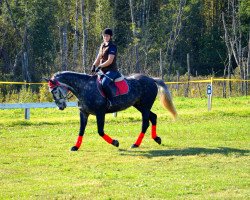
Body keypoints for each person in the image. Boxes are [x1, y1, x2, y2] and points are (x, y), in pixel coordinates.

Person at [92, 28, 121, 106]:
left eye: (107, 36)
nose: (105, 37)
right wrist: (94, 65)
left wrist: (100, 66)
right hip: (103, 70)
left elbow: (110, 60)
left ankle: (111, 101)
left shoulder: (112, 47)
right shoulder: (102, 45)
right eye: (104, 35)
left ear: (110, 36)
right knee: (93, 82)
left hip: (112, 70)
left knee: (104, 83)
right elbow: (98, 57)